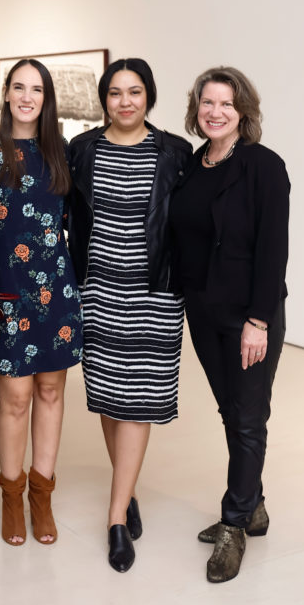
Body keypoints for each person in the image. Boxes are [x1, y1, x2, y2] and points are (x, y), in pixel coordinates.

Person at [66, 58, 192, 572]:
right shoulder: (82, 150)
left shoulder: (176, 153)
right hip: (98, 290)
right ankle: (129, 489)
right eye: (115, 93)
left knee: (138, 399)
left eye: (134, 92)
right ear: (104, 99)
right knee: (110, 399)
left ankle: (116, 519)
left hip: (154, 293)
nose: (124, 102)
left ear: (149, 97)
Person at [168, 66, 289, 583]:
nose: (214, 112)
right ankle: (253, 504)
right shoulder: (193, 165)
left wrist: (258, 320)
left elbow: (273, 249)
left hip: (248, 315)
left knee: (246, 416)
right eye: (206, 103)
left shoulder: (264, 166)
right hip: (203, 309)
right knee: (231, 410)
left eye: (225, 104)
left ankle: (235, 524)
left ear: (244, 112)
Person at [0, 59, 82, 546]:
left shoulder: (63, 152)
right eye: (19, 87)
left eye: (37, 89)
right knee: (14, 399)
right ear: (6, 93)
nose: (28, 97)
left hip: (56, 292)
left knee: (51, 394)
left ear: (46, 97)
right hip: (7, 290)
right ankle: (11, 495)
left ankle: (42, 494)